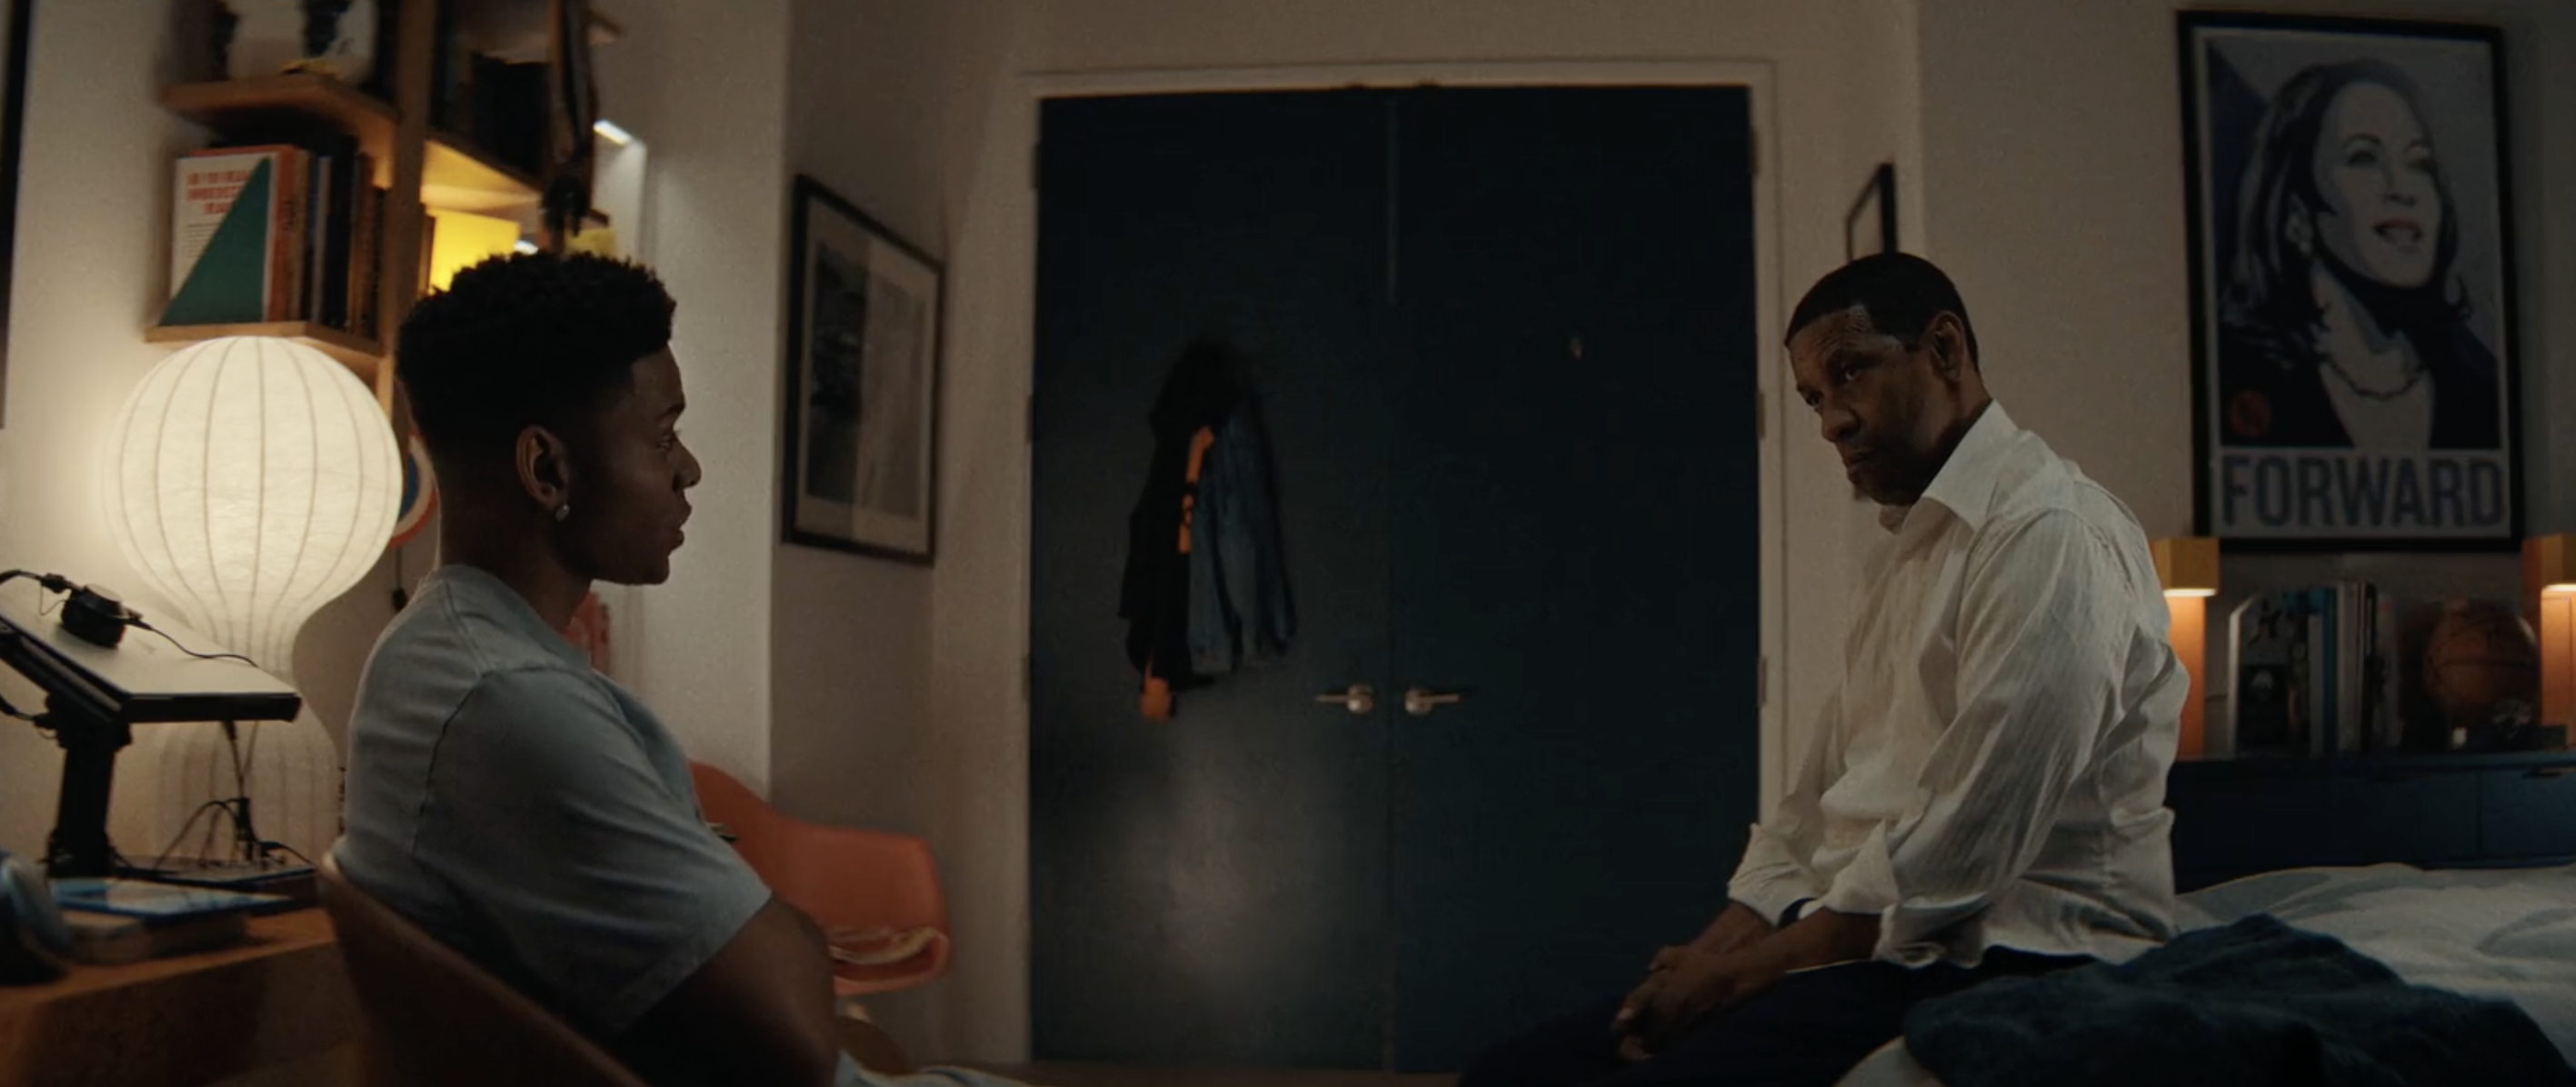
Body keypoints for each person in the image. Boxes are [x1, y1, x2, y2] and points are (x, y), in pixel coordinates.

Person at [1459, 254, 2188, 1087]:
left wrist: (1734, 977)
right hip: (1874, 941)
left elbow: (1960, 855)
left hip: (2015, 950)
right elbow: (1814, 812)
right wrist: (1700, 961)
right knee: (1511, 1074)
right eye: (1812, 397)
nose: (1830, 422)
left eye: (1849, 373)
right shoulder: (1904, 553)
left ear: (1944, 350)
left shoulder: (2049, 535)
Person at [334, 253, 857, 1086]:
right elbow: (800, 1037)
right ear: (548, 470)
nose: (688, 469)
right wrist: (779, 924)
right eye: (663, 436)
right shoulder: (508, 701)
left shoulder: (440, 654)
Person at [2216, 59, 2501, 451]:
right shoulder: (2238, 384)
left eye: (2419, 163)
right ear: (2297, 212)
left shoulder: (2481, 400)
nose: (2403, 188)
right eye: (2364, 158)